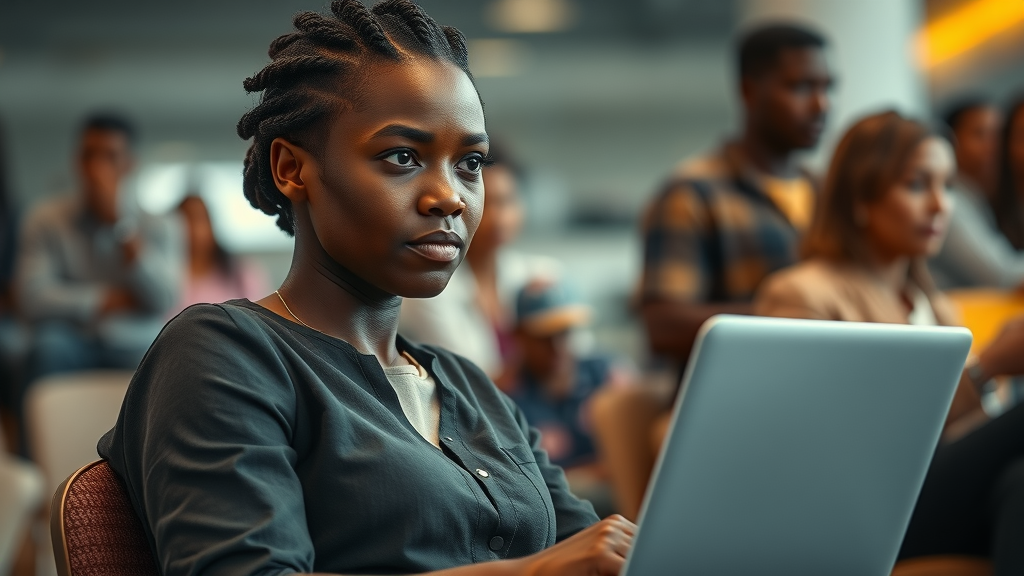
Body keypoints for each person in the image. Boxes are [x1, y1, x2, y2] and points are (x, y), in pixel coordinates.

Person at [98, 3, 633, 576]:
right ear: (291, 169)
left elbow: (586, 548)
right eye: (402, 156)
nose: (449, 196)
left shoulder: (471, 386)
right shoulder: (223, 354)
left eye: (470, 163)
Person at [755, 110, 1024, 573]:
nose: (941, 206)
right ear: (860, 197)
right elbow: (834, 450)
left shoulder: (933, 304)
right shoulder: (803, 294)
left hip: (929, 497)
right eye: (918, 185)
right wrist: (986, 369)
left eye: (948, 186)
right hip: (861, 510)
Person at [594, 22, 834, 521]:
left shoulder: (825, 194)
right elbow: (662, 324)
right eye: (800, 87)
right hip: (733, 412)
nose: (820, 105)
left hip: (818, 404)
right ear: (750, 90)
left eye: (827, 88)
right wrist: (787, 317)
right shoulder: (693, 193)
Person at [15, 113, 183, 378]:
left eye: (109, 157)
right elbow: (32, 298)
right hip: (68, 339)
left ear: (129, 164)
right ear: (77, 161)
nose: (96, 169)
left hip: (136, 342)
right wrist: (105, 300)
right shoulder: (44, 219)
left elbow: (164, 299)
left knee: (169, 361)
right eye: (89, 156)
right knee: (45, 348)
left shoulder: (162, 225)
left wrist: (121, 225)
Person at [399, 141, 558, 384]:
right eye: (487, 203)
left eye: (507, 201)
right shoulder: (428, 291)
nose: (498, 218)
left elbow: (574, 361)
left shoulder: (543, 274)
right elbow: (473, 384)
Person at [506, 280, 629, 517]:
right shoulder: (506, 397)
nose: (558, 345)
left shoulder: (607, 373)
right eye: (544, 336)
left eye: (565, 332)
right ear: (518, 335)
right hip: (561, 508)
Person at [928, 98, 1024, 289]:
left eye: (999, 135)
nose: (994, 146)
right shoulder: (951, 202)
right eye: (980, 134)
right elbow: (1004, 276)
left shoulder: (978, 196)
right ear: (951, 141)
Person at [171, 194, 266, 316]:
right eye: (183, 221)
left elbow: (258, 320)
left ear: (211, 224)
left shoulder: (241, 274)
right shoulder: (166, 278)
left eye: (198, 219)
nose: (191, 228)